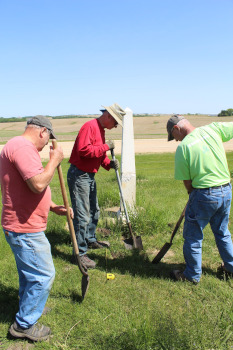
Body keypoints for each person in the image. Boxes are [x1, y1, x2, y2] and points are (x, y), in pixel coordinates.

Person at [0, 116, 72, 342]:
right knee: (43, 275)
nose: (46, 145)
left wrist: (50, 206)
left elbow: (21, 186)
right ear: (43, 132)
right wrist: (54, 160)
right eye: (49, 138)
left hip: (22, 224)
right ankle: (24, 325)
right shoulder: (23, 147)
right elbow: (38, 183)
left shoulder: (17, 146)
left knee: (29, 275)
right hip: (24, 228)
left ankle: (31, 307)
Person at [166, 115, 233, 284]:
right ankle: (231, 267)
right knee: (222, 232)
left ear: (176, 129)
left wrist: (192, 196)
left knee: (193, 236)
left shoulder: (184, 147)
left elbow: (188, 182)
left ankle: (191, 276)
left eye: (174, 137)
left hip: (204, 193)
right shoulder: (214, 129)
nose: (176, 141)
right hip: (226, 190)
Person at [67, 103, 126, 269]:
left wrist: (109, 163)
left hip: (88, 175)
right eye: (115, 123)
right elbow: (84, 151)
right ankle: (79, 254)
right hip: (79, 175)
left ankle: (90, 239)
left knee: (94, 211)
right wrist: (106, 146)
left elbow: (98, 156)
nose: (115, 126)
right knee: (82, 214)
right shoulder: (89, 127)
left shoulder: (100, 130)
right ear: (108, 116)